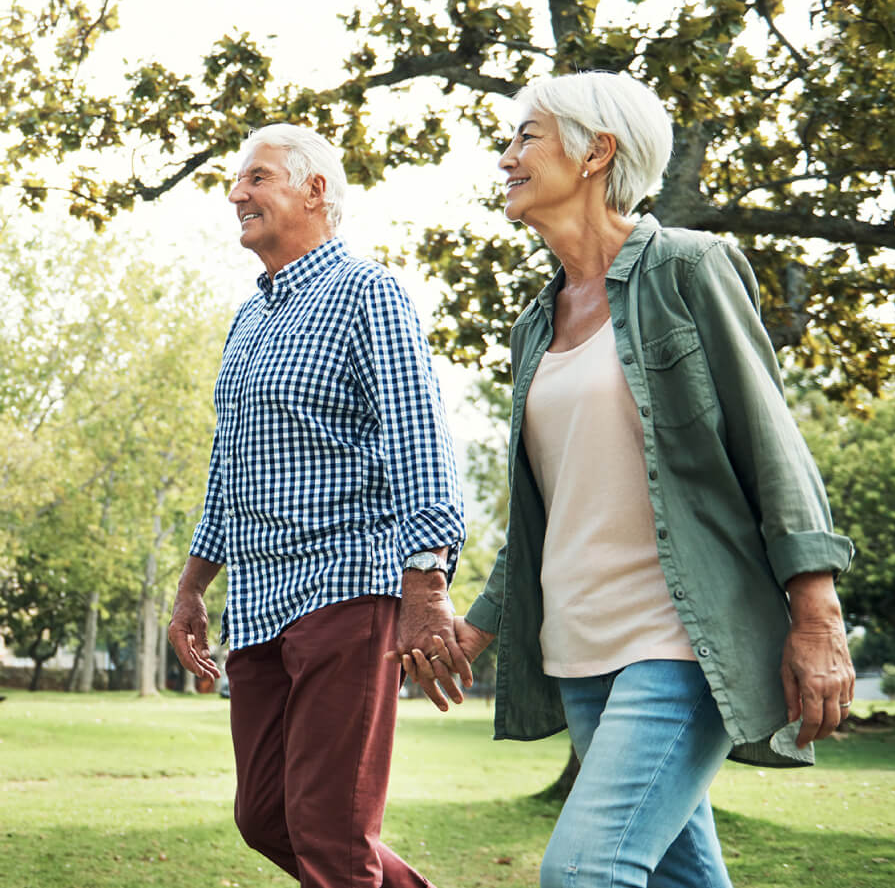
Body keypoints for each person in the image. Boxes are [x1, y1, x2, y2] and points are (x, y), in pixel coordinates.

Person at [401, 72, 855, 887]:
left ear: (595, 152)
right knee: (685, 878)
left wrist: (816, 615)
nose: (506, 156)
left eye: (526, 136)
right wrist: (478, 626)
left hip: (678, 641)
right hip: (580, 649)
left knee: (582, 872)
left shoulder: (691, 268)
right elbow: (550, 511)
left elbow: (772, 445)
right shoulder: (536, 324)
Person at [168, 123, 465, 888]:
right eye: (239, 181)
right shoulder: (250, 319)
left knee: (331, 831)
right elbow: (226, 465)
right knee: (267, 815)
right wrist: (194, 582)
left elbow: (420, 441)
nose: (237, 193)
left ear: (314, 189)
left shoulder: (370, 294)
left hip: (346, 589)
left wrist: (426, 583)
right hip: (260, 603)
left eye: (256, 177)